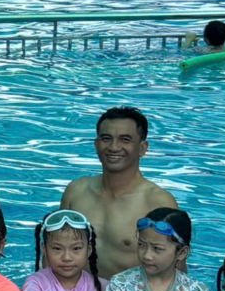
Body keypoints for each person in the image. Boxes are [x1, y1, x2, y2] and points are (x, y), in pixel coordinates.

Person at [60, 106, 177, 275]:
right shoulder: (76, 192)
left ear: (143, 148)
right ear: (96, 144)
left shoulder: (158, 202)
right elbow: (52, 252)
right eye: (106, 138)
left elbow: (175, 271)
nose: (114, 147)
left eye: (125, 140)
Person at [20, 209, 103, 291]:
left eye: (76, 248)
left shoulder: (101, 288)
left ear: (89, 250)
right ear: (45, 250)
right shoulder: (36, 282)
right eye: (57, 249)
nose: (67, 257)